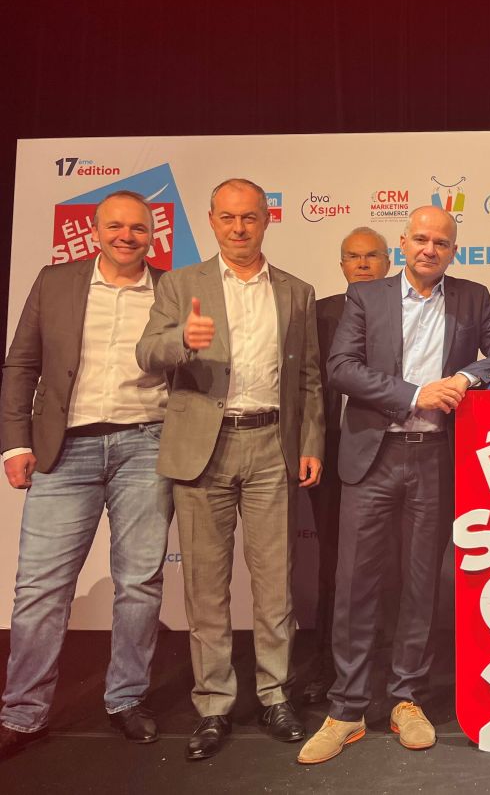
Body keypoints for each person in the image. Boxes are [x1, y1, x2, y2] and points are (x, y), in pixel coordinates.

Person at [297, 205, 490, 764]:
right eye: (421, 239)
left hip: (435, 460)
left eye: (441, 243)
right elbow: (341, 367)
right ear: (402, 243)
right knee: (355, 585)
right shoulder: (366, 296)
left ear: (453, 251)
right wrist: (414, 393)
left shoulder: (472, 297)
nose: (430, 249)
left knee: (422, 585)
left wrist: (467, 377)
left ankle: (406, 698)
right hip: (372, 458)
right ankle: (347, 708)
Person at [136, 178, 324, 761]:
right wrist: (183, 340)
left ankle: (274, 694)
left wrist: (311, 441)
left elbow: (309, 377)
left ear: (266, 220)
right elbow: (147, 353)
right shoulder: (179, 284)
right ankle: (214, 704)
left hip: (272, 444)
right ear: (212, 220)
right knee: (205, 587)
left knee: (275, 584)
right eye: (228, 218)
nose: (238, 228)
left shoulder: (296, 290)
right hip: (203, 448)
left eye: (249, 218)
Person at [0, 192, 173, 759]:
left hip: (145, 446)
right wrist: (15, 443)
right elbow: (21, 364)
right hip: (63, 448)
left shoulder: (171, 288)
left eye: (138, 228)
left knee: (139, 583)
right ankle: (23, 713)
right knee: (40, 586)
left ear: (153, 233)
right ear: (95, 230)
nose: (127, 236)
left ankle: (126, 699)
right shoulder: (55, 282)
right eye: (115, 226)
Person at [297, 227, 392, 705]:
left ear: (388, 262)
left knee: (393, 565)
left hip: (396, 455)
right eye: (353, 257)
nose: (363, 264)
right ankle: (328, 664)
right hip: (333, 457)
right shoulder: (320, 314)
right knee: (335, 564)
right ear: (341, 266)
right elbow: (307, 386)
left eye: (372, 256)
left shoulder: (411, 310)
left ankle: (388, 667)